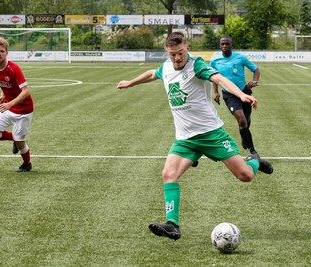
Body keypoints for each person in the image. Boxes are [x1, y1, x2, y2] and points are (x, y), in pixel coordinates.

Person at [117, 32, 273, 240]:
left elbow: (219, 78)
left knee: (245, 175)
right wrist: (130, 82)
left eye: (180, 53)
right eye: (173, 54)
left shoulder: (197, 65)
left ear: (187, 48)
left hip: (211, 135)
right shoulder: (166, 67)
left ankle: (255, 161)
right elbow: (151, 73)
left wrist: (242, 94)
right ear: (167, 52)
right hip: (185, 139)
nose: (177, 58)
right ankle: (172, 224)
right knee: (168, 174)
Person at [0, 37, 34, 172]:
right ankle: (15, 138)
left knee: (20, 143)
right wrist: (3, 94)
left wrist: (9, 104)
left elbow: (26, 91)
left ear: (7, 53)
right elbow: (2, 83)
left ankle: (27, 164)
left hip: (24, 110)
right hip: (9, 106)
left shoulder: (14, 69)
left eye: (2, 51)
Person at [210, 36, 261, 157]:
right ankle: (253, 151)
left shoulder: (241, 57)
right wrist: (216, 92)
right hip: (229, 95)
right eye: (222, 44)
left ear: (231, 45)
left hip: (244, 92)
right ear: (219, 45)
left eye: (227, 44)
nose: (224, 46)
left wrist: (254, 81)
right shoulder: (214, 60)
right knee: (242, 120)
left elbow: (256, 70)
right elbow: (214, 77)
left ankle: (245, 137)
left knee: (246, 121)